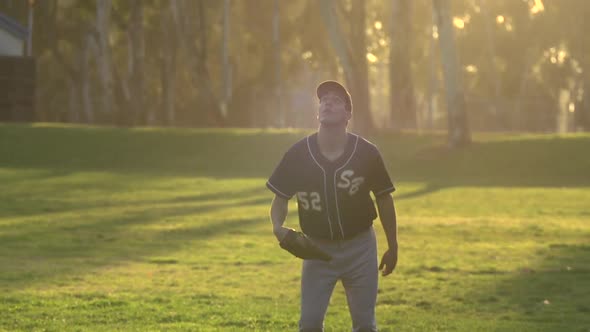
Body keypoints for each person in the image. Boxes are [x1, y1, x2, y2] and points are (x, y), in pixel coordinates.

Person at [266, 81, 399, 332]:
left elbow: (384, 198)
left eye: (336, 100)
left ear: (348, 115)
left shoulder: (367, 153)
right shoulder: (298, 154)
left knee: (365, 326)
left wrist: (393, 246)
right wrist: (277, 227)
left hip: (360, 248)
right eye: (324, 99)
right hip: (316, 249)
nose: (328, 102)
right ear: (318, 112)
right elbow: (280, 197)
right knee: (309, 324)